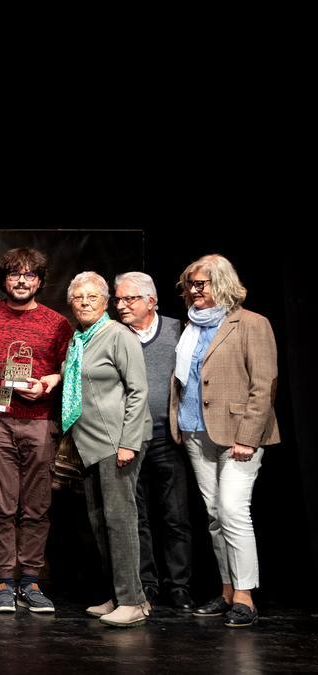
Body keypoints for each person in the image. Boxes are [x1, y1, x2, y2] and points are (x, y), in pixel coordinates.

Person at [169, 254, 279, 628]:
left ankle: (246, 595)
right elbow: (184, 380)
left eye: (202, 284)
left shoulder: (251, 324)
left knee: (233, 510)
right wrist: (178, 422)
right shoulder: (190, 327)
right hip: (196, 431)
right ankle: (228, 588)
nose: (195, 291)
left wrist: (248, 437)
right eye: (191, 284)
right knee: (215, 515)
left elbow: (263, 386)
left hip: (238, 435)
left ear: (223, 284)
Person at [0, 248, 72, 614]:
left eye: (30, 275)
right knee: (0, 505)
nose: (22, 280)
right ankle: (3, 582)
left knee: (36, 507)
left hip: (40, 420)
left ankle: (30, 581)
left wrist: (49, 381)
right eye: (15, 274)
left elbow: (68, 369)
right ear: (4, 279)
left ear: (40, 281)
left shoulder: (56, 323)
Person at [61, 272, 152, 627]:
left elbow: (138, 391)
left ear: (105, 303)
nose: (84, 302)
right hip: (90, 444)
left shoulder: (118, 334)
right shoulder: (79, 338)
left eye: (92, 297)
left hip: (117, 444)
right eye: (78, 297)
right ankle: (121, 594)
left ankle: (132, 601)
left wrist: (128, 443)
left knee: (121, 522)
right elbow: (76, 379)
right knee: (101, 523)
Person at [113, 271, 194, 612]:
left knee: (175, 517)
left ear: (151, 300)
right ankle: (146, 584)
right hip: (128, 440)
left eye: (128, 299)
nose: (121, 306)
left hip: (166, 437)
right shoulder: (114, 335)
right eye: (117, 299)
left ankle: (179, 587)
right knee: (136, 518)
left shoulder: (179, 331)